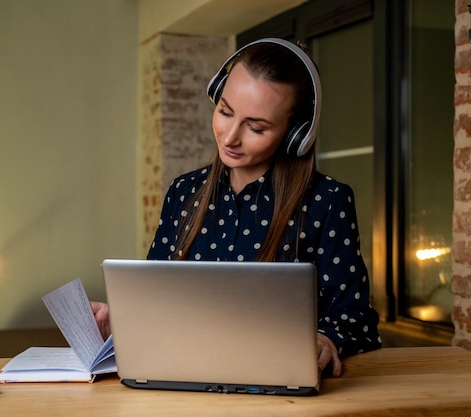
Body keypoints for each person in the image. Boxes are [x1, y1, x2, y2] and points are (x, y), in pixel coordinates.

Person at [92, 38, 381, 377]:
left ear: (295, 134)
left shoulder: (327, 201)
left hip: (276, 385)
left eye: (255, 127)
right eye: (225, 112)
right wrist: (123, 318)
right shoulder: (184, 192)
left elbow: (355, 319)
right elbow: (158, 298)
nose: (229, 137)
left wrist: (327, 339)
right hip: (183, 378)